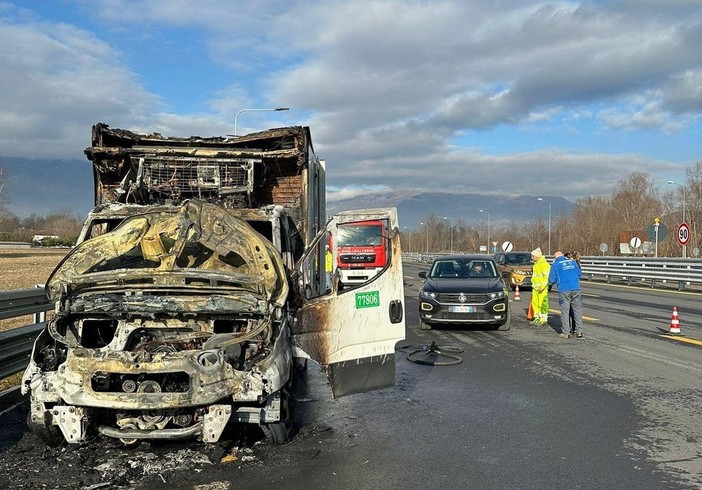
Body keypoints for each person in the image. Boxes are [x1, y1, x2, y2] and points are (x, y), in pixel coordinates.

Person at [548, 251, 584, 339]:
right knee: (577, 310)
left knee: (565, 311)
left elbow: (552, 279)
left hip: (564, 289)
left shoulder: (555, 265)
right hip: (576, 288)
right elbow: (579, 275)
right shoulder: (573, 262)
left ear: (555, 258)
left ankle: (566, 332)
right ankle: (579, 331)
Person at [530, 247, 550, 325]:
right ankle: (537, 317)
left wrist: (542, 286)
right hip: (535, 287)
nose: (532, 257)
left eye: (533, 256)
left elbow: (546, 277)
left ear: (537, 256)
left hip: (542, 289)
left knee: (542, 304)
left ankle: (543, 319)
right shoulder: (535, 265)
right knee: (535, 304)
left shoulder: (544, 264)